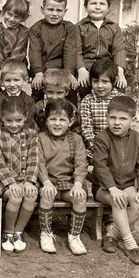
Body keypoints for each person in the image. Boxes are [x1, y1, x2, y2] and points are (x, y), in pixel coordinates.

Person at [93, 96, 139, 265]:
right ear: (107, 117)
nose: (117, 123)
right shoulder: (102, 138)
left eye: (123, 119)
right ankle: (131, 244)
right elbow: (100, 167)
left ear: (132, 120)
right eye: (112, 118)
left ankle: (111, 235)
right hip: (103, 189)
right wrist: (112, 188)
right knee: (118, 200)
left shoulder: (138, 140)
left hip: (127, 186)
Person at [37, 99, 89, 255]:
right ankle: (46, 233)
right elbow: (39, 163)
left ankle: (74, 236)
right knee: (47, 195)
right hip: (47, 182)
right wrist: (46, 182)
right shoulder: (40, 138)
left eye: (62, 119)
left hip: (69, 184)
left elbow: (81, 163)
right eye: (53, 119)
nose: (57, 123)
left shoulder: (76, 139)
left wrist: (78, 184)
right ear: (46, 121)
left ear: (71, 121)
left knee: (80, 197)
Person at [0, 96, 39, 253]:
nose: (14, 125)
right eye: (9, 120)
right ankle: (8, 232)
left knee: (31, 195)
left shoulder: (31, 135)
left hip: (25, 180)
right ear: (2, 117)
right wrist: (10, 183)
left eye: (18, 120)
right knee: (16, 196)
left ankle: (18, 232)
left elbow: (34, 159)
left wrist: (30, 181)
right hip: (4, 183)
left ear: (25, 117)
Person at [76, 0, 127, 99]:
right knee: (83, 86)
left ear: (108, 8)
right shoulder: (79, 27)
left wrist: (120, 71)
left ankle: (113, 113)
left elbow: (119, 50)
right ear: (85, 6)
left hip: (107, 68)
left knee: (119, 87)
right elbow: (77, 50)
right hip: (87, 68)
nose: (97, 7)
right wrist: (81, 69)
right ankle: (88, 112)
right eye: (93, 3)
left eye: (102, 4)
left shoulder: (113, 27)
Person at [29, 0, 78, 105]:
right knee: (37, 91)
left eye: (59, 10)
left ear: (65, 11)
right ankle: (36, 118)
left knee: (70, 90)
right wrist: (38, 72)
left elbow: (70, 51)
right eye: (50, 9)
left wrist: (69, 73)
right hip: (43, 69)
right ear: (42, 9)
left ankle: (71, 118)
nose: (54, 14)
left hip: (63, 70)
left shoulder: (69, 28)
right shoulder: (36, 29)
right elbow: (34, 51)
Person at [0, 0, 30, 97]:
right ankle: (2, 100)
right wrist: (1, 66)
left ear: (23, 18)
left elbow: (18, 51)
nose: (12, 19)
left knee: (16, 81)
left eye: (17, 17)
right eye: (9, 14)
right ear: (4, 11)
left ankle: (15, 102)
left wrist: (9, 68)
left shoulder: (24, 31)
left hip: (16, 64)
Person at [80, 57, 124, 161]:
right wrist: (98, 149)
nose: (100, 86)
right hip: (95, 150)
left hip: (118, 148)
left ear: (113, 82)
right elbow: (86, 129)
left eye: (105, 81)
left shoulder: (121, 100)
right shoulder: (88, 101)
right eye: (95, 81)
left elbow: (127, 127)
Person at [0, 61, 35, 132]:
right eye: (8, 80)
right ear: (1, 82)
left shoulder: (29, 101)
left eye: (16, 80)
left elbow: (28, 125)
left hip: (23, 138)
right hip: (2, 138)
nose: (12, 84)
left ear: (25, 81)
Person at [33, 68, 81, 134]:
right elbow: (34, 129)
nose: (54, 97)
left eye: (59, 93)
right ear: (44, 90)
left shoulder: (71, 108)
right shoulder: (38, 107)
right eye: (50, 92)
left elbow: (76, 129)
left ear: (67, 92)